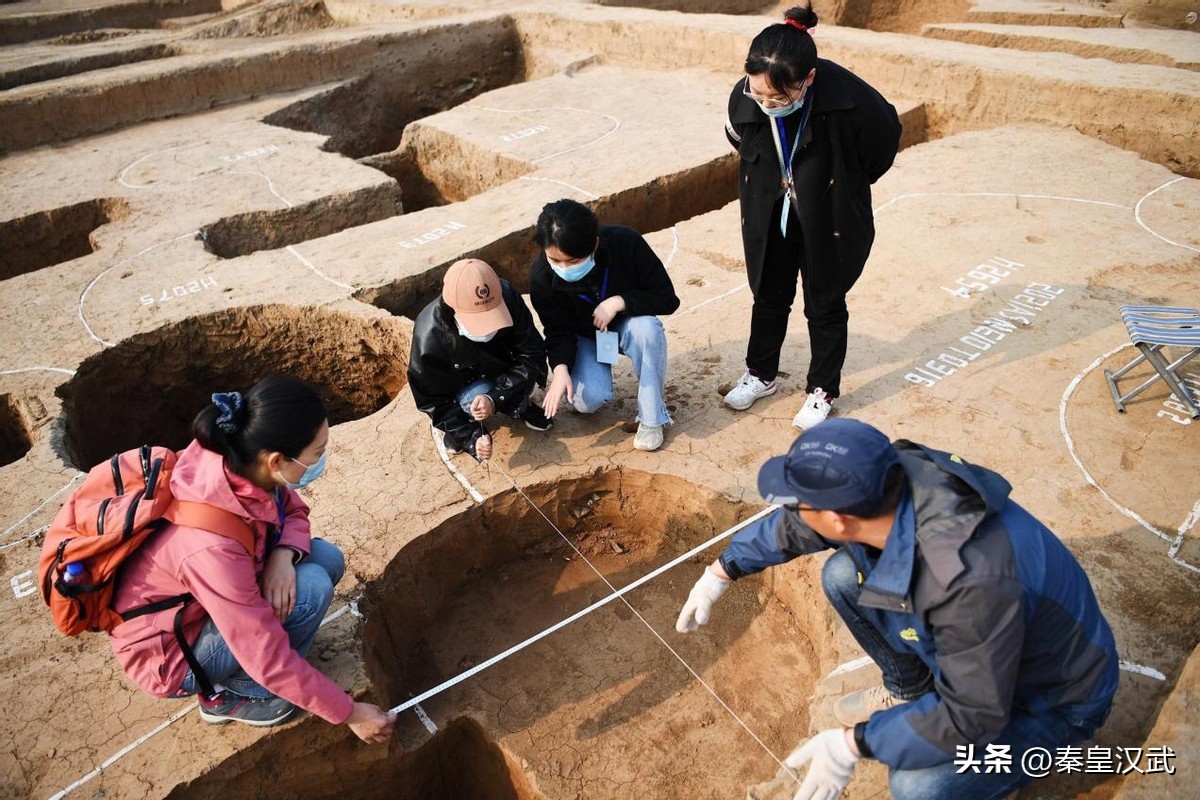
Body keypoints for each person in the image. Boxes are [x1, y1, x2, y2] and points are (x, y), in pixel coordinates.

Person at [676, 418, 1118, 799]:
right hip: (986, 656)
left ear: (838, 520)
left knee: (917, 787)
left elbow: (971, 716)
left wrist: (855, 744)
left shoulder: (967, 583)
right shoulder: (896, 479)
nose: (792, 509)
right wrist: (724, 569)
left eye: (799, 501)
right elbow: (802, 525)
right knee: (843, 576)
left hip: (1052, 699)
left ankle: (1000, 779)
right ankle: (911, 691)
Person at [108, 376, 396, 742]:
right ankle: (236, 692)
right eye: (316, 453)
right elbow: (265, 653)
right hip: (171, 657)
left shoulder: (243, 463)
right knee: (310, 589)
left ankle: (250, 666)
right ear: (277, 460)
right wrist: (350, 712)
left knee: (325, 558)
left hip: (205, 605)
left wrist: (281, 554)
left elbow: (294, 511)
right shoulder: (210, 546)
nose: (321, 460)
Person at [721, 4, 902, 429]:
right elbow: (738, 138)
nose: (766, 103)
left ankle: (822, 390)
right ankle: (761, 374)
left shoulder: (849, 100)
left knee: (824, 302)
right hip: (772, 214)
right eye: (759, 93)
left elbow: (884, 140)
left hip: (828, 217)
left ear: (808, 80)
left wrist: (847, 180)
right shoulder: (744, 97)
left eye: (779, 98)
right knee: (768, 294)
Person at [530, 199, 679, 452]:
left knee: (648, 329)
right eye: (555, 260)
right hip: (585, 336)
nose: (564, 268)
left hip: (627, 324)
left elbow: (667, 298)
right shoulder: (541, 276)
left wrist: (620, 302)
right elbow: (557, 329)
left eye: (574, 261)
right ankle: (590, 373)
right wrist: (561, 368)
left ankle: (652, 418)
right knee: (586, 402)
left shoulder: (626, 242)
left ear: (595, 244)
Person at [408, 258, 550, 461]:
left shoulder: (507, 295)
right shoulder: (429, 334)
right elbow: (431, 399)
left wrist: (495, 397)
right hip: (464, 384)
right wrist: (470, 436)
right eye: (478, 321)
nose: (489, 329)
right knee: (473, 399)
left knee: (507, 387)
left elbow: (532, 353)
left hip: (503, 368)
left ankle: (520, 405)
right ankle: (462, 427)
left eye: (493, 317)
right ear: (452, 307)